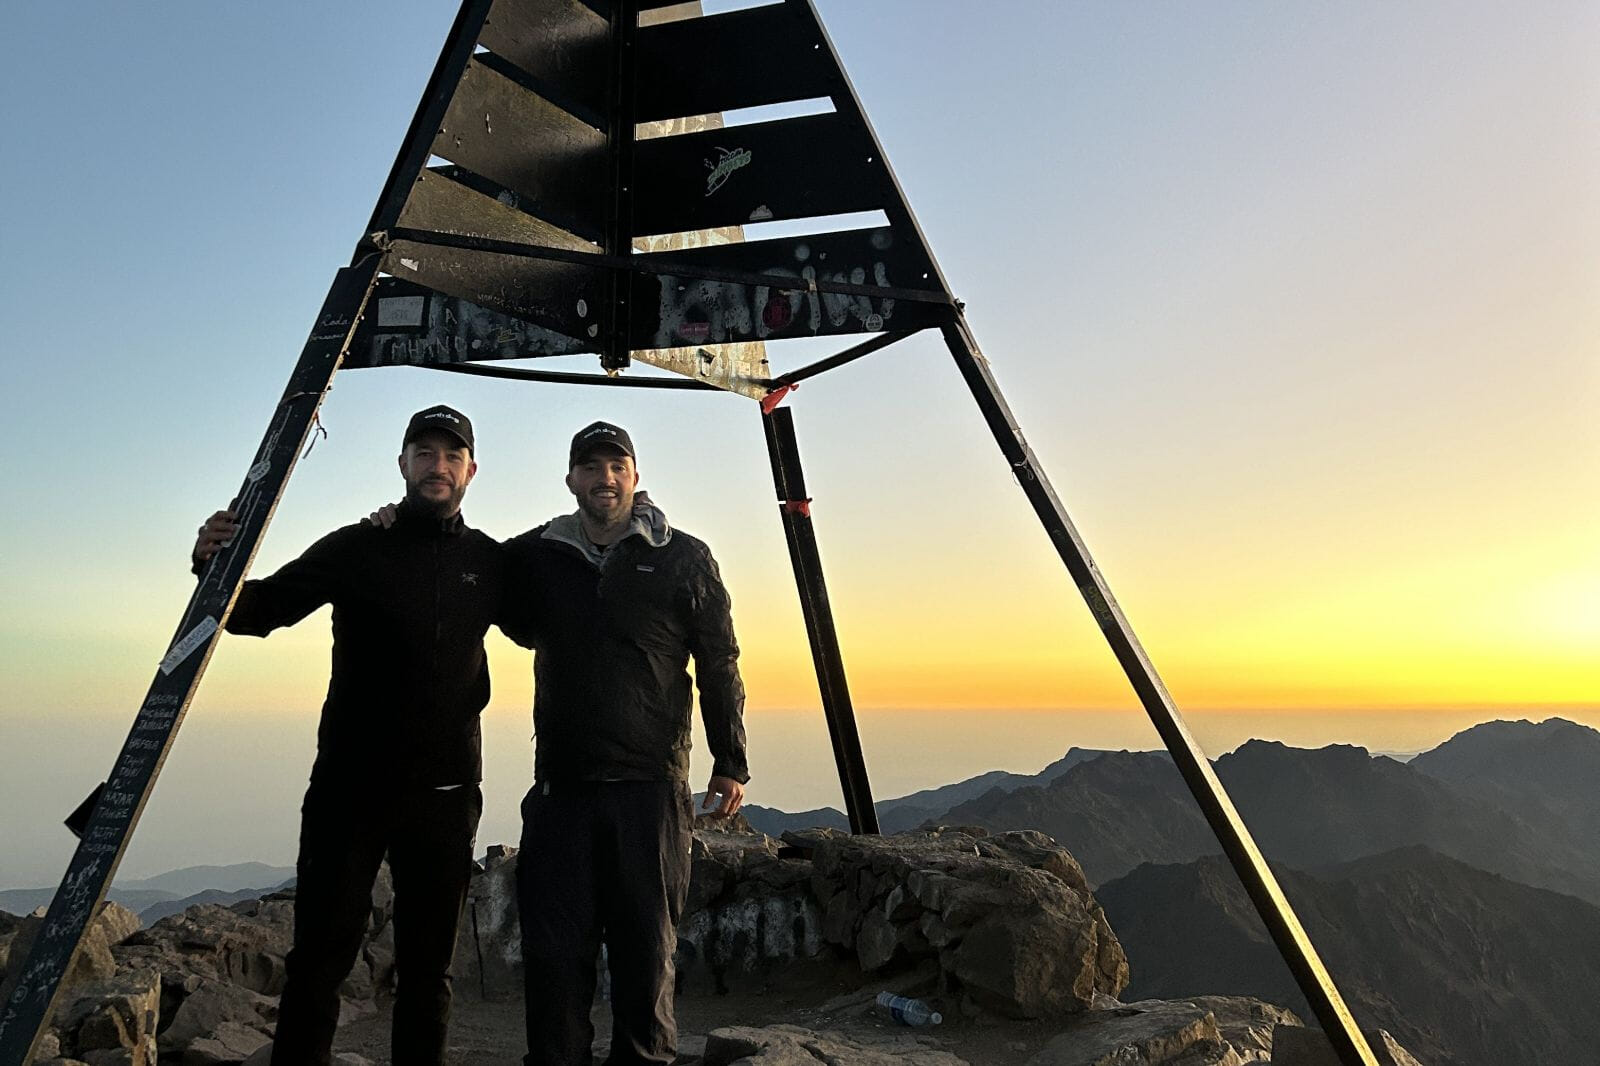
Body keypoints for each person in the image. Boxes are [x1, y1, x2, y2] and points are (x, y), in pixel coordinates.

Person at [191, 405, 503, 1066]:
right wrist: (209, 565)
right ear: (402, 464)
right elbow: (260, 611)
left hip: (445, 797)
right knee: (318, 966)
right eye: (424, 452)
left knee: (428, 976)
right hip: (349, 792)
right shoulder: (358, 547)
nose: (437, 466)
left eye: (451, 455)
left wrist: (631, 526)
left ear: (471, 469)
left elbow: (561, 596)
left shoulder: (490, 563)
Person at [500, 421, 749, 1066]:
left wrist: (731, 761)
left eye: (616, 466)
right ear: (571, 479)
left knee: (646, 956)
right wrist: (398, 523)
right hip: (562, 789)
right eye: (590, 467)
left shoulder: (682, 557)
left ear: (636, 478)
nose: (603, 478)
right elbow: (462, 571)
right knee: (555, 960)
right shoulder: (539, 556)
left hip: (650, 790)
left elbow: (718, 660)